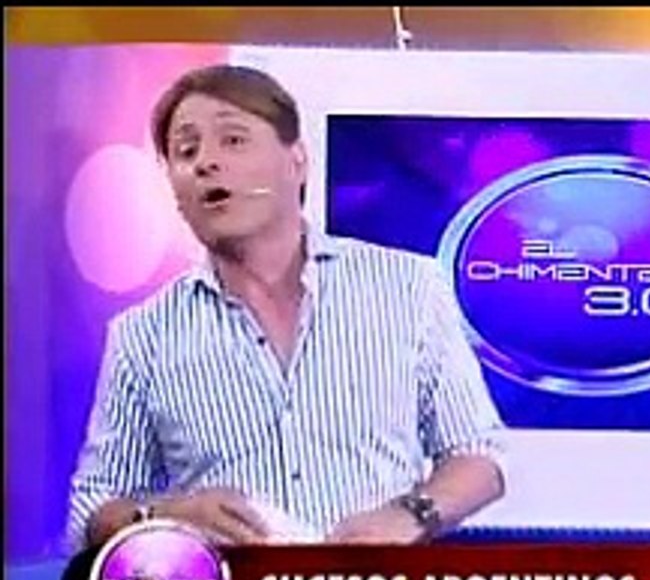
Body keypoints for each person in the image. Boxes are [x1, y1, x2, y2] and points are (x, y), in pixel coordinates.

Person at [67, 64, 506, 549]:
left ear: (297, 162)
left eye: (233, 140)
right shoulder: (142, 335)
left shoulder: (407, 287)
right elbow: (92, 507)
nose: (206, 162)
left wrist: (411, 514)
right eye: (186, 151)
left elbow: (478, 457)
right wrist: (162, 516)